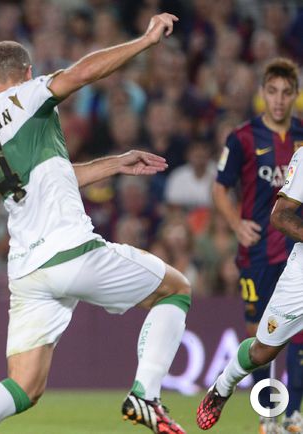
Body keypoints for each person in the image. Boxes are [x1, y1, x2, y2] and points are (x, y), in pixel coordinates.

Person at [0, 13, 192, 434]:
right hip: (69, 249)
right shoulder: (28, 97)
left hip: (28, 268)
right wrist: (145, 41)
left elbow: (52, 176)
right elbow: (82, 73)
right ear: (28, 74)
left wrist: (113, 164)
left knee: (24, 386)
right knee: (176, 289)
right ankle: (145, 395)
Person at [198, 59, 303, 432]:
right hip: (262, 251)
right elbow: (222, 188)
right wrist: (236, 224)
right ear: (263, 94)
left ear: (295, 96)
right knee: (263, 344)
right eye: (272, 91)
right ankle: (256, 405)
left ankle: (293, 414)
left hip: (288, 249)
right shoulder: (244, 137)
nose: (279, 100)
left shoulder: (299, 134)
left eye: (286, 92)